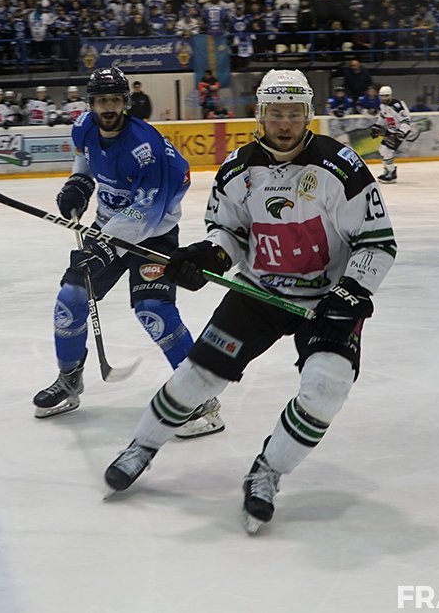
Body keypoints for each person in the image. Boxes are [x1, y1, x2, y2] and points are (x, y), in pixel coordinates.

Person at [102, 69, 397, 535]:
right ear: (260, 114)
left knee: (326, 388)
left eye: (294, 114)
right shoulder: (237, 170)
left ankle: (268, 472)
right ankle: (142, 445)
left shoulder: (341, 167)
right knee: (198, 375)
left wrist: (352, 291)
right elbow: (230, 233)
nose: (285, 123)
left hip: (327, 302)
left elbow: (377, 242)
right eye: (276, 113)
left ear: (308, 115)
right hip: (259, 291)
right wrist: (210, 256)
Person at [34, 67, 224, 438]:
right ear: (91, 104)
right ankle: (69, 380)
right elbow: (85, 159)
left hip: (154, 234)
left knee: (154, 311)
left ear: (126, 102)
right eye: (101, 100)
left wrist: (105, 246)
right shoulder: (83, 127)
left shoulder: (145, 148)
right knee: (71, 299)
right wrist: (78, 184)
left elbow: (145, 213)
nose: (108, 107)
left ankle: (200, 398)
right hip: (109, 226)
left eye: (115, 100)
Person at [369, 86, 414, 184]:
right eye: (382, 96)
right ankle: (388, 170)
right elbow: (382, 116)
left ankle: (391, 172)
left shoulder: (397, 106)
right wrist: (376, 126)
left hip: (400, 131)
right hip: (391, 130)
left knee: (387, 151)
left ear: (390, 95)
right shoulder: (382, 105)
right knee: (382, 150)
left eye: (386, 96)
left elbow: (406, 120)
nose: (384, 98)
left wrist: (401, 132)